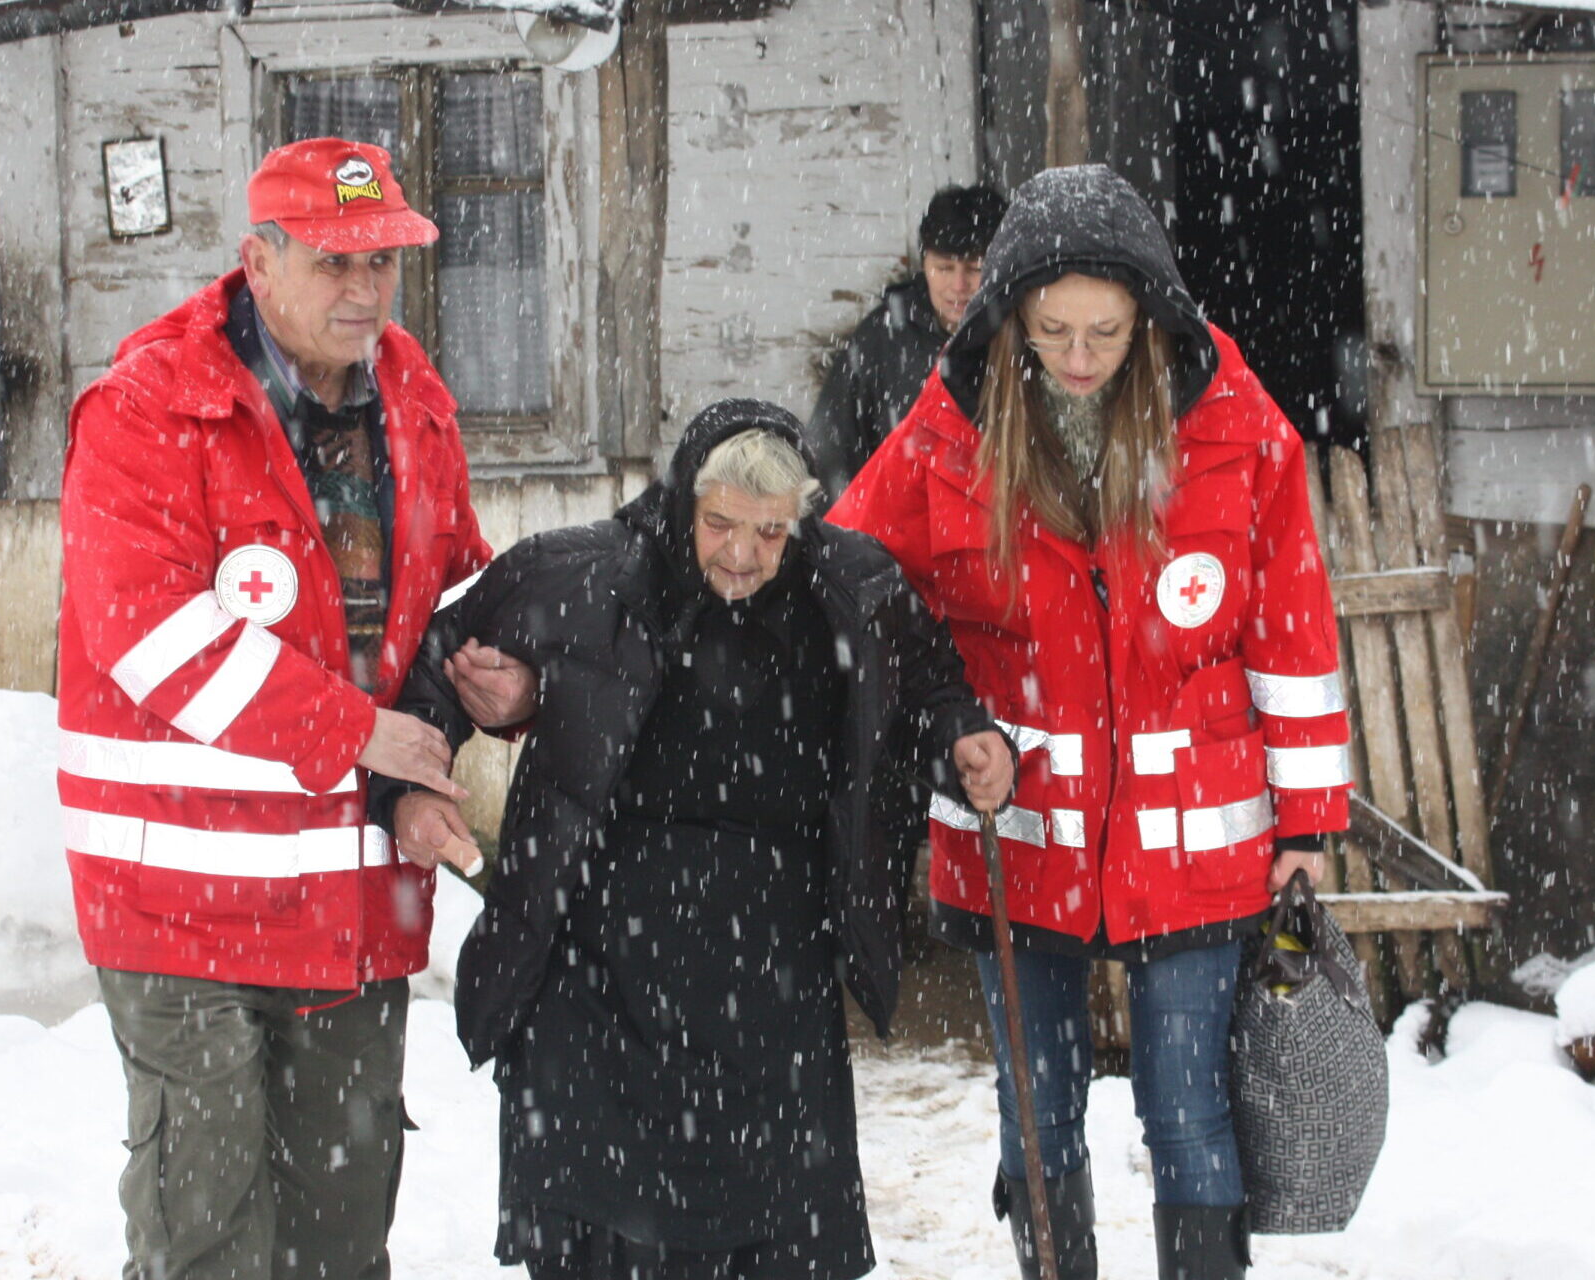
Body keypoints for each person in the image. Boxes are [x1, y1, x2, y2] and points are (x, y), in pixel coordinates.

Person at [827, 165, 1354, 1280]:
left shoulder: (1236, 429)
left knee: (1190, 1114)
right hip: (1021, 840)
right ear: (1008, 316)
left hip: (1194, 845)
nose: (1076, 355)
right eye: (1050, 328)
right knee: (1037, 1114)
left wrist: (1306, 823)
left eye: (1104, 331)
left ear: (1151, 316)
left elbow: (1293, 636)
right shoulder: (946, 431)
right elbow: (852, 580)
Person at [374, 400, 1015, 1280]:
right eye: (720, 524)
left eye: (770, 532)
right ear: (684, 504)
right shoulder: (586, 576)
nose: (744, 555)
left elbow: (929, 684)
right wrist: (410, 785)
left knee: (772, 1241)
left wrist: (963, 740)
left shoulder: (851, 589)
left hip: (771, 969)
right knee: (607, 1240)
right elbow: (439, 656)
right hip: (600, 959)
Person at [59, 136, 537, 1280]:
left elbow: (450, 593)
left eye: (384, 261)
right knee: (211, 1238)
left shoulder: (412, 393)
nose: (365, 290)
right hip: (180, 902)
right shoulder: (148, 405)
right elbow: (153, 637)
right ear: (257, 262)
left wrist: (496, 693)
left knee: (340, 1234)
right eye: (334, 261)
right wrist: (357, 734)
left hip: (352, 900)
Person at [805, 183, 1007, 497]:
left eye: (975, 269)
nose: (958, 285)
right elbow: (832, 455)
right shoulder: (883, 338)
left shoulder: (1024, 335)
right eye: (943, 268)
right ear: (924, 262)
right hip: (899, 532)